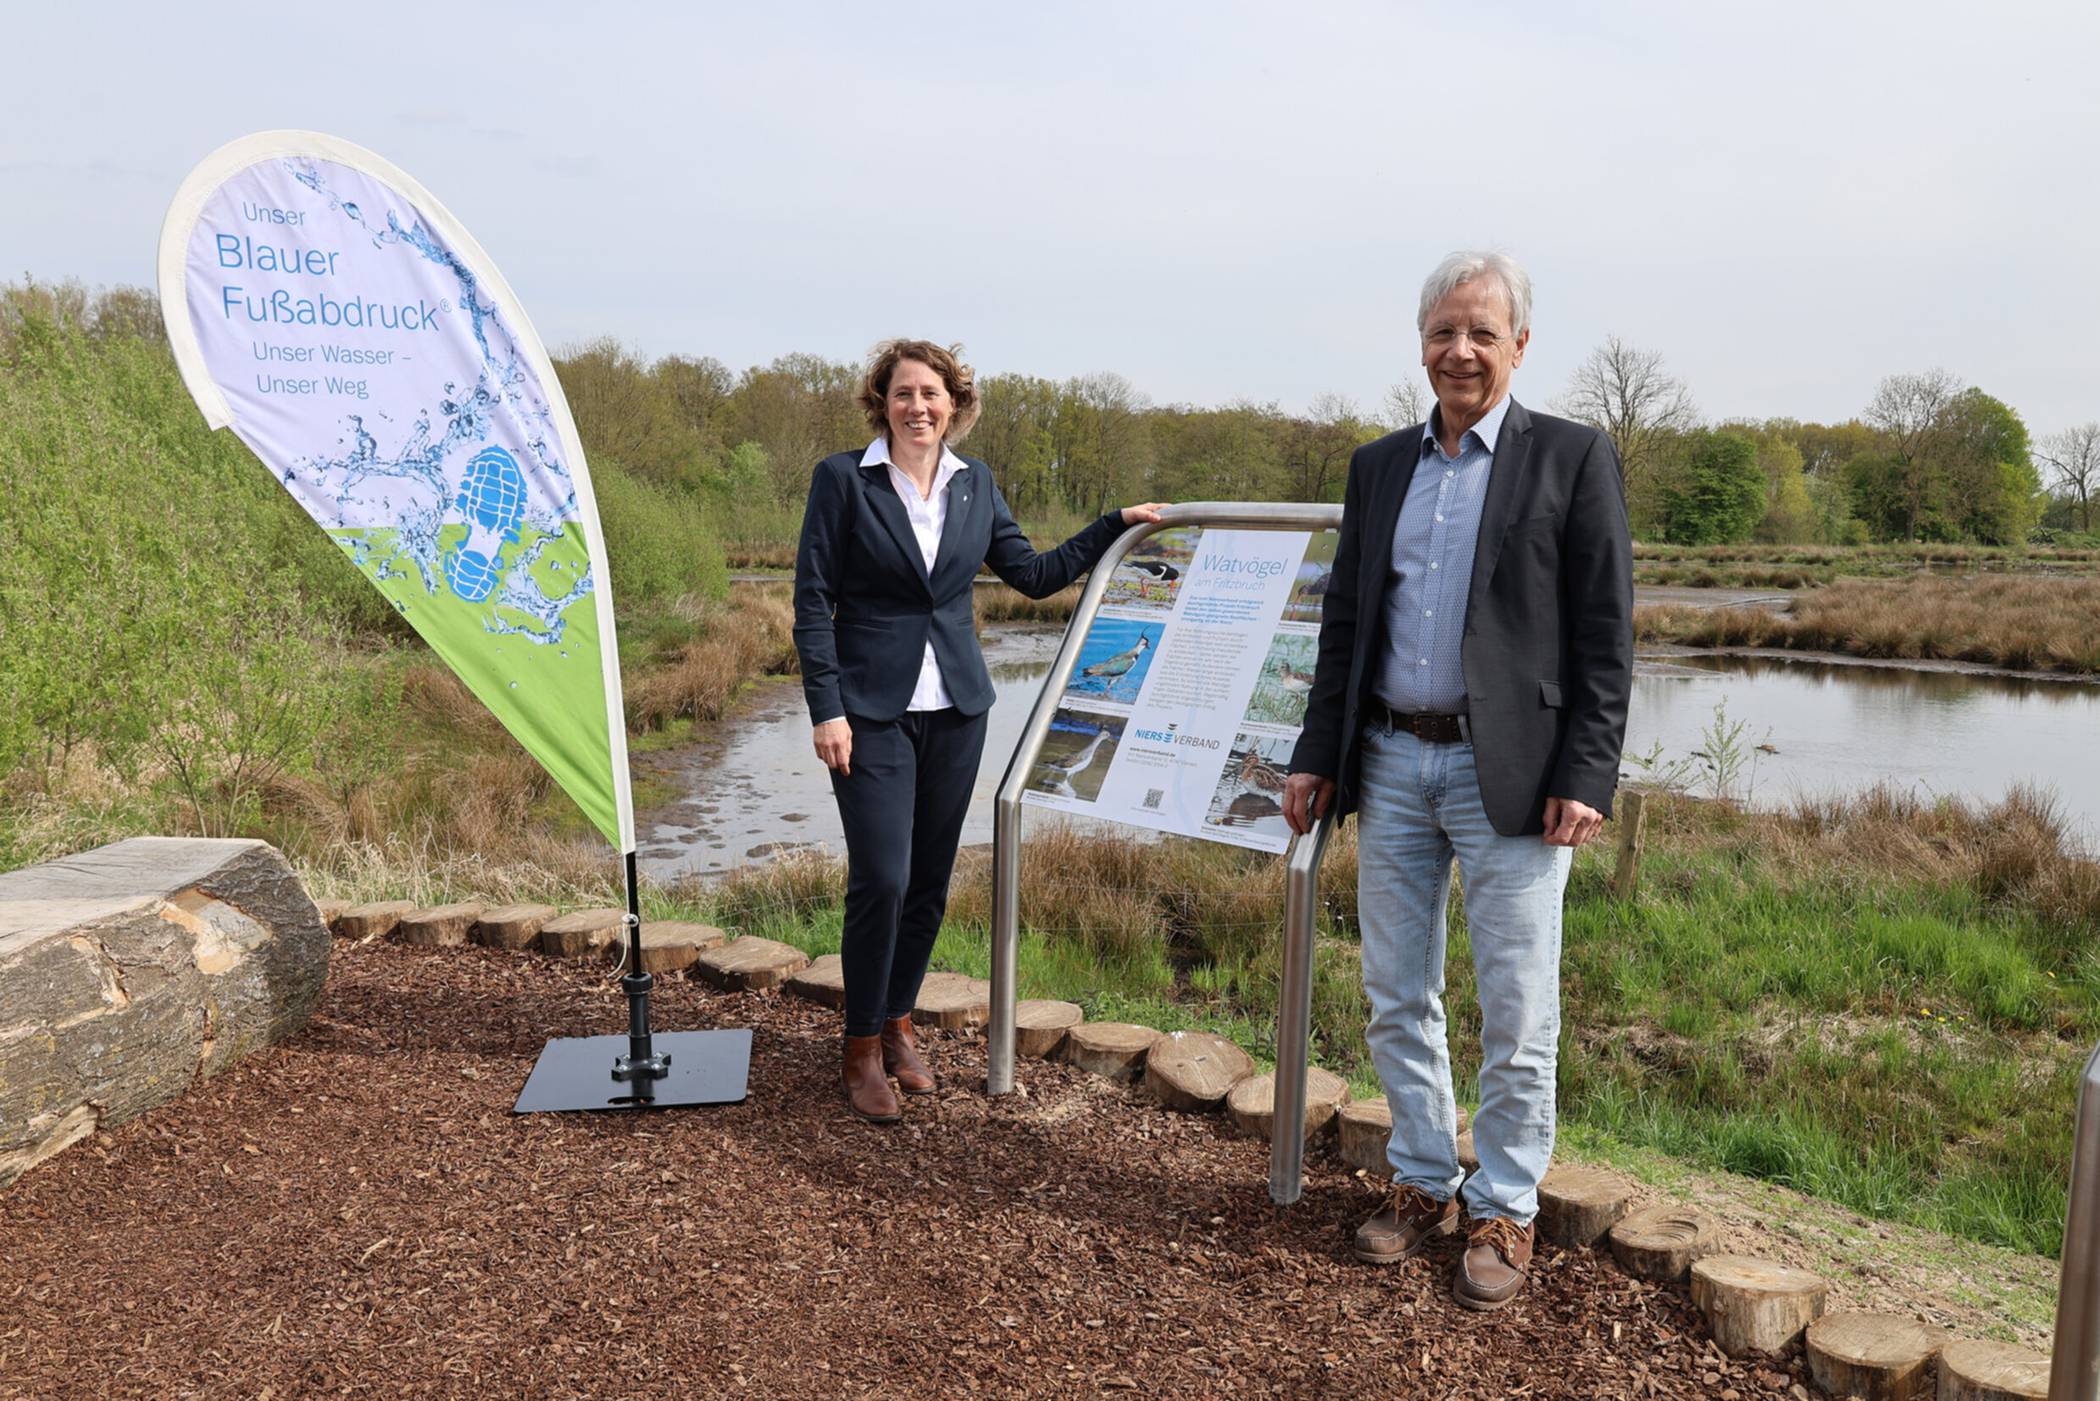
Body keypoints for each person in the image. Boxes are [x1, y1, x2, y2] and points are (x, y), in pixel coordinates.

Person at [1283, 252, 1633, 1311]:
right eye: (1443, 332)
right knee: (1398, 992)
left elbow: (1606, 635)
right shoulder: (1379, 466)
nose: (1461, 351)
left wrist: (1587, 771)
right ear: (1420, 344)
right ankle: (1427, 1177)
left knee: (1520, 1008)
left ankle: (1506, 1207)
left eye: (1483, 333)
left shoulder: (1572, 459)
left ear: (1520, 346)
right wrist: (1314, 753)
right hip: (1389, 761)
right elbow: (1345, 622)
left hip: (1517, 779)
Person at [794, 339, 1164, 1124]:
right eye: (903, 394)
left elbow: (1031, 575)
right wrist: (825, 706)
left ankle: (898, 1024)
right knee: (882, 879)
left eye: (932, 393)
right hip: (869, 713)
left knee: (929, 881)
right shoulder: (843, 481)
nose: (917, 407)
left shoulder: (975, 484)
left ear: (955, 404)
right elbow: (812, 599)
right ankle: (859, 1047)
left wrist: (1114, 526)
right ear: (881, 403)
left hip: (959, 708)